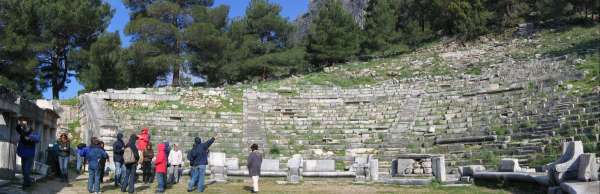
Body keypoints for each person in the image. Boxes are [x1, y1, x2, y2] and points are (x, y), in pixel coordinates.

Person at [15, 119, 40, 188]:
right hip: (23, 153)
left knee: (26, 170)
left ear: (30, 127)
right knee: (23, 169)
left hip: (30, 154)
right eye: (25, 126)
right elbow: (17, 128)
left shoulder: (33, 132)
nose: (25, 128)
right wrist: (20, 124)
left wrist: (30, 137)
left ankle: (25, 184)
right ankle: (28, 182)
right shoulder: (22, 132)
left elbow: (37, 139)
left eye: (27, 126)